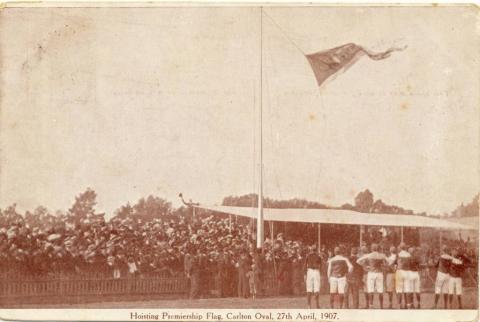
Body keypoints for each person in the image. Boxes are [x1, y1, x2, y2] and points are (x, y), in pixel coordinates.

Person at [357, 243, 387, 309]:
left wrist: (365, 266)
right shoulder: (381, 255)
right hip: (379, 273)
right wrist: (383, 266)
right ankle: (381, 306)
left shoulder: (369, 255)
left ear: (371, 249)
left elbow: (358, 261)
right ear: (377, 248)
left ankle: (371, 305)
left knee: (370, 289)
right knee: (380, 290)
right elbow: (387, 262)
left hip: (371, 273)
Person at [395, 243, 412, 309]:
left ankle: (399, 306)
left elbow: (395, 265)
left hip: (400, 272)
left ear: (400, 248)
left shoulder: (398, 254)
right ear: (405, 248)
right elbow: (410, 264)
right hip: (407, 272)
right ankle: (408, 306)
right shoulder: (409, 255)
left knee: (399, 290)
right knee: (407, 290)